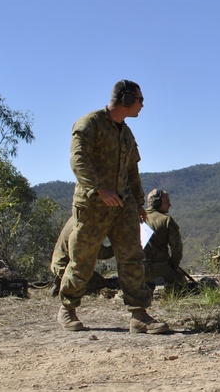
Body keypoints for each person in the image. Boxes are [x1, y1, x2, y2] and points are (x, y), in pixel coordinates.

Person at [56, 79, 170, 334]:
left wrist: (139, 203)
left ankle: (139, 316)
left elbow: (132, 170)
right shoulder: (89, 124)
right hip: (93, 206)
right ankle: (67, 308)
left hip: (124, 207)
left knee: (132, 257)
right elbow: (78, 160)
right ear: (126, 99)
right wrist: (99, 188)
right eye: (140, 100)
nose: (142, 105)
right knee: (82, 258)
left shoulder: (127, 133)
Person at [50, 215, 117, 296]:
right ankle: (67, 285)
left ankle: (64, 282)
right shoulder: (89, 224)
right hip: (70, 268)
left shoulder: (78, 215)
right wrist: (120, 246)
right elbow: (101, 253)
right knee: (106, 286)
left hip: (61, 264)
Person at [142, 188, 188, 291]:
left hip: (138, 271)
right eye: (167, 202)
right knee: (183, 283)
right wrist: (173, 266)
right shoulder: (166, 220)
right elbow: (177, 249)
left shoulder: (136, 219)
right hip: (162, 270)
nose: (170, 205)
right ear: (157, 202)